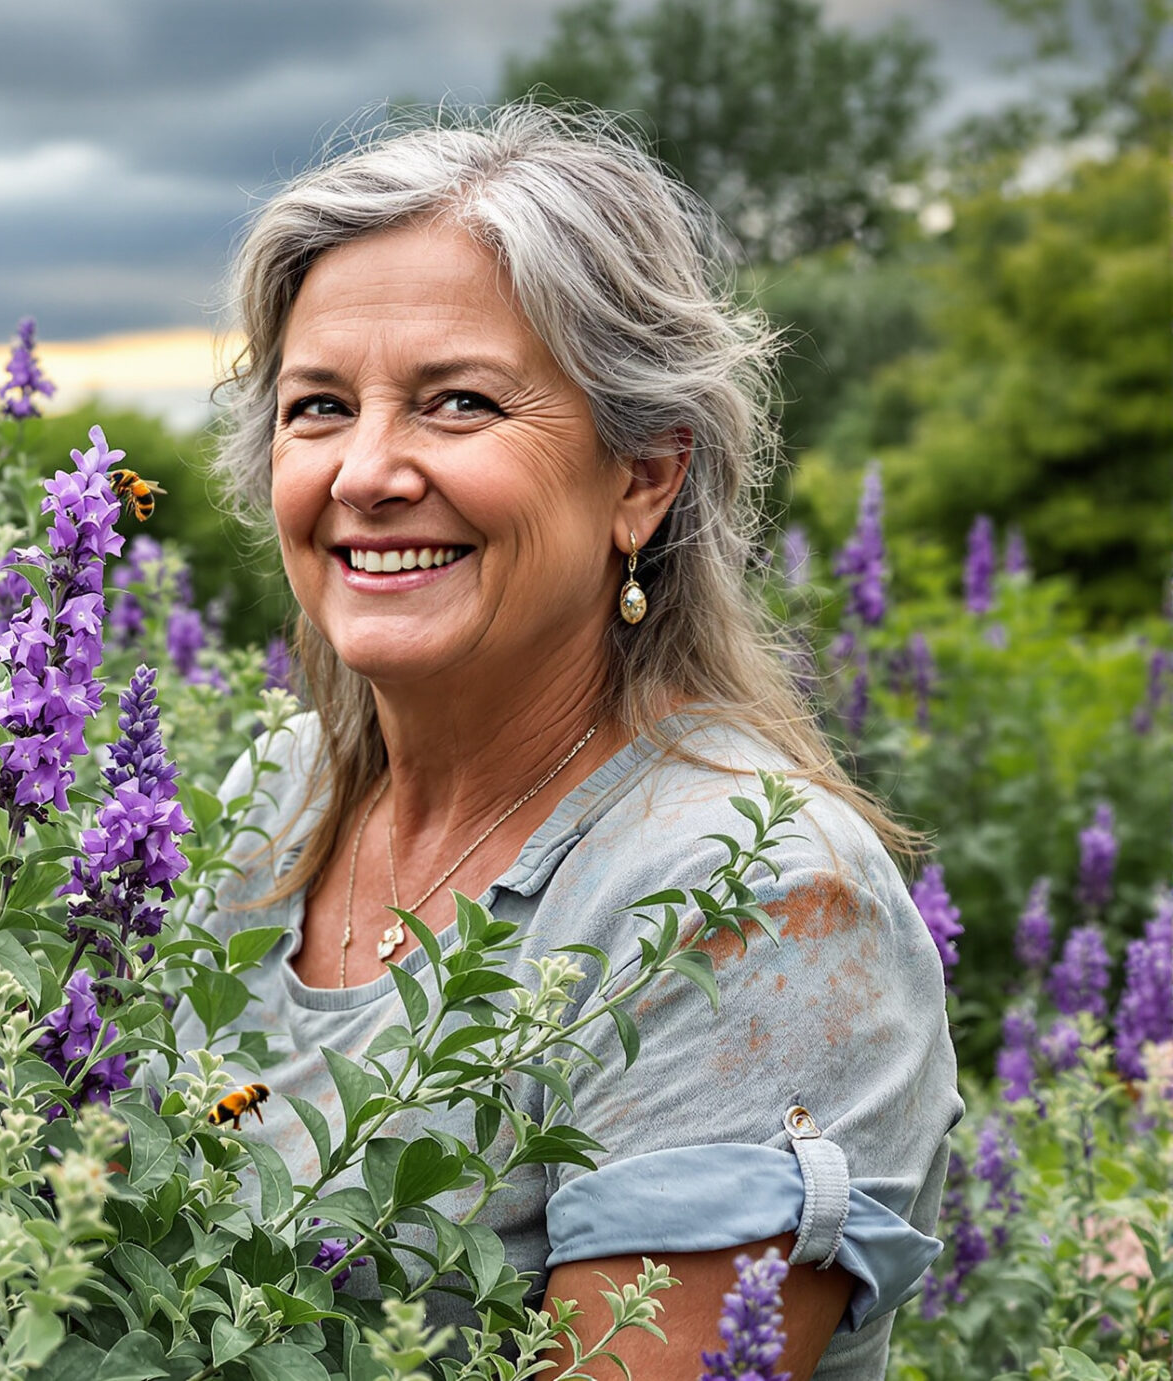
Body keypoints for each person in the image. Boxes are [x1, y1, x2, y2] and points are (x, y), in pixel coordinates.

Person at [188, 103, 959, 1380]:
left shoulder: (754, 901)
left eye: (457, 404)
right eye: (318, 406)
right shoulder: (264, 802)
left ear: (643, 475)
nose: (367, 471)